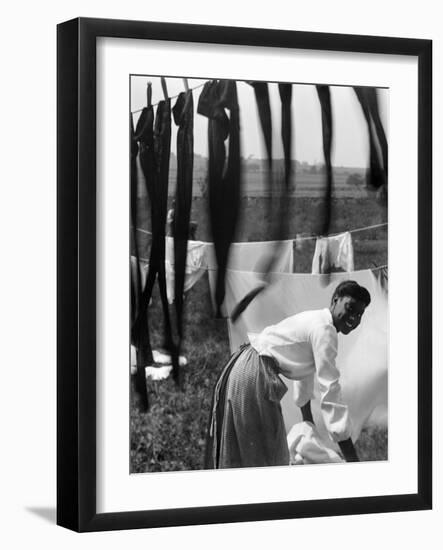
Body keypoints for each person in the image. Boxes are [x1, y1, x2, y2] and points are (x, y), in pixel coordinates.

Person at [205, 280, 371, 469]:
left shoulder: (318, 321)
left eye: (359, 314)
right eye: (349, 308)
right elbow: (330, 392)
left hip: (244, 366)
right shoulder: (325, 329)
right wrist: (352, 460)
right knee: (264, 456)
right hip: (252, 374)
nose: (353, 318)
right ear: (335, 300)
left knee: (253, 450)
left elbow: (305, 374)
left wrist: (308, 423)